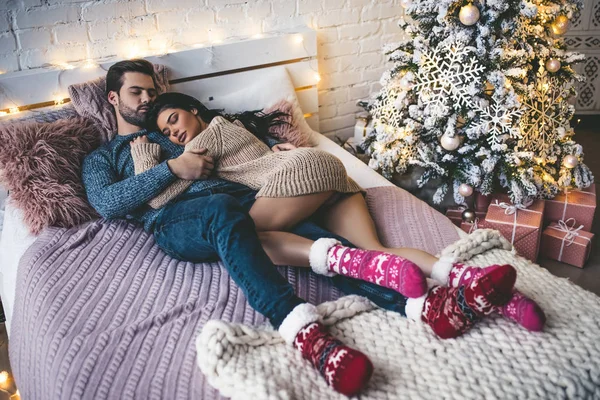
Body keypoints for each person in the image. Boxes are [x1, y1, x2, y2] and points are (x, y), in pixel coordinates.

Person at [81, 60, 543, 396]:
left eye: (151, 93)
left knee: (340, 247)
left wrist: (275, 148)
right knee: (272, 228)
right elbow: (108, 203)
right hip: (198, 216)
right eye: (136, 93)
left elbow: (238, 153)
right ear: (112, 98)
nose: (146, 101)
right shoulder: (104, 157)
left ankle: (428, 306)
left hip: (253, 199)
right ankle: (309, 330)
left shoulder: (173, 134)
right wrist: (172, 169)